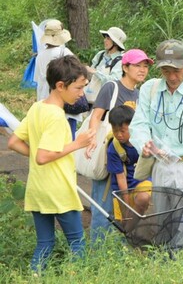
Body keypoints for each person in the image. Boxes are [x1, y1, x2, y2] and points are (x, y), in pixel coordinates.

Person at [7, 55, 95, 272]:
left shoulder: (38, 107)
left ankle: (34, 277)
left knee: (45, 243)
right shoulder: (57, 117)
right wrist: (77, 144)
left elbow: (14, 142)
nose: (82, 93)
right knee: (77, 244)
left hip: (38, 189)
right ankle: (74, 278)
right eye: (78, 88)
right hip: (59, 190)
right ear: (60, 86)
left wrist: (38, 154)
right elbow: (43, 156)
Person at [128, 39, 183, 227]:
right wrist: (143, 144)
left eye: (177, 70)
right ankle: (166, 256)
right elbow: (139, 124)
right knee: (163, 225)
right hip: (160, 166)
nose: (172, 77)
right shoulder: (149, 89)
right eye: (166, 71)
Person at [86, 49, 153, 241]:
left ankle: (120, 247)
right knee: (103, 204)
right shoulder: (112, 88)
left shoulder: (140, 94)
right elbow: (96, 116)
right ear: (125, 67)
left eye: (145, 66)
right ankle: (97, 249)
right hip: (110, 154)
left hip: (129, 161)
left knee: (127, 203)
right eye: (137, 65)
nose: (142, 70)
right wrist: (92, 140)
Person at [33, 19, 81, 137]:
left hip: (44, 101)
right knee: (67, 138)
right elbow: (77, 75)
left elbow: (37, 80)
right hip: (63, 102)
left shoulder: (40, 55)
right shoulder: (65, 52)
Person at [107, 105, 151, 229]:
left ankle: (131, 230)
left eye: (122, 131)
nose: (119, 135)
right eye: (115, 131)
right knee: (123, 221)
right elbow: (120, 178)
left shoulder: (143, 141)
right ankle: (127, 235)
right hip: (122, 189)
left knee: (143, 198)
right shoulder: (114, 149)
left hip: (142, 181)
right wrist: (125, 204)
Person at [84, 26, 127, 103]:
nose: (105, 40)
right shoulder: (100, 54)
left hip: (107, 100)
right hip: (90, 97)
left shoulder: (121, 60)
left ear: (115, 43)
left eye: (108, 38)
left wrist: (95, 72)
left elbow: (115, 81)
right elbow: (90, 73)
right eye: (105, 38)